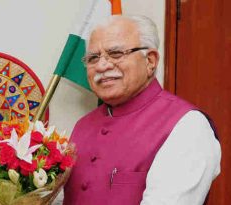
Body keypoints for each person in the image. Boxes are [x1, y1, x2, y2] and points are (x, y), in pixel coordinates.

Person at [64, 15, 221, 205]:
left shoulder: (188, 126)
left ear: (150, 61)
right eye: (93, 58)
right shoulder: (82, 126)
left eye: (116, 53)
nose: (102, 65)